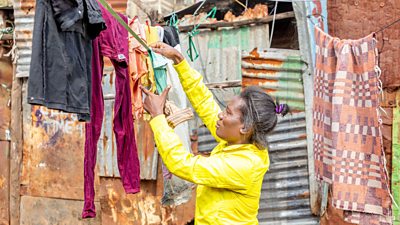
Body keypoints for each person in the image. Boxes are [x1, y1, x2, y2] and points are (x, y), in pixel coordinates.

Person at [140, 42, 289, 225]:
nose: (220, 114)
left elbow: (181, 164)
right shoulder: (238, 142)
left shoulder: (243, 165)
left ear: (245, 127)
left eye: (228, 113)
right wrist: (179, 60)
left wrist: (157, 116)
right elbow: (205, 103)